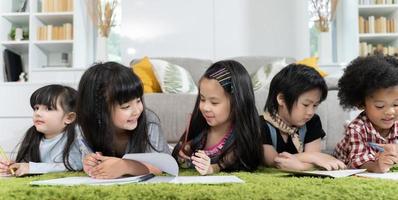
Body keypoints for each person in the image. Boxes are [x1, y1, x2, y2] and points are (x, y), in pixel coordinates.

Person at [78, 62, 170, 179]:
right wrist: (91, 163)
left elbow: (162, 168)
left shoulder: (149, 122)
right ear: (98, 111)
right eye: (126, 106)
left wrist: (125, 166)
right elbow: (84, 159)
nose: (137, 111)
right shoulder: (85, 127)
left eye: (138, 100)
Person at [172, 60, 263, 175]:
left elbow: (231, 163)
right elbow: (179, 158)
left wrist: (212, 168)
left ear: (237, 103)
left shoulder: (241, 137)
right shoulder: (200, 128)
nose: (205, 107)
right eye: (202, 99)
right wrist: (183, 152)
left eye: (214, 103)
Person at [261, 64, 345, 171]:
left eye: (315, 105)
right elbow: (275, 161)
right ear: (281, 99)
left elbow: (315, 155)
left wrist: (303, 166)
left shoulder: (312, 122)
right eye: (305, 105)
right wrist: (313, 157)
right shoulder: (261, 125)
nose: (310, 112)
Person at [0, 84, 83, 176]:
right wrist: (16, 166)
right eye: (36, 108)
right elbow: (28, 164)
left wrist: (32, 168)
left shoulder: (76, 136)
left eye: (49, 108)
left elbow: (75, 165)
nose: (38, 113)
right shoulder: (32, 135)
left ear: (69, 118)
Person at [334, 56, 398, 173]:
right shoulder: (356, 128)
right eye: (380, 106)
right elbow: (358, 161)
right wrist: (377, 166)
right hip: (345, 164)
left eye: (396, 105)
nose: (390, 112)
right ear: (361, 103)